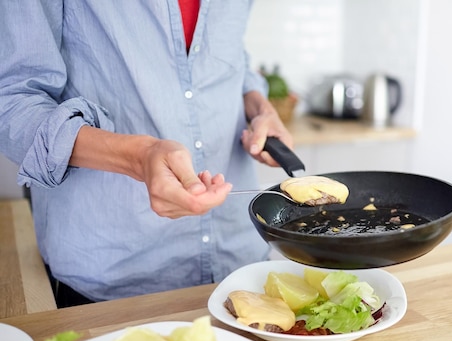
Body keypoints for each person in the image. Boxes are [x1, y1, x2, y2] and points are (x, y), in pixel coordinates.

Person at [0, 1, 294, 307]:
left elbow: (232, 58)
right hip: (115, 280)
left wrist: (261, 108)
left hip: (241, 266)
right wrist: (140, 156)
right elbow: (11, 100)